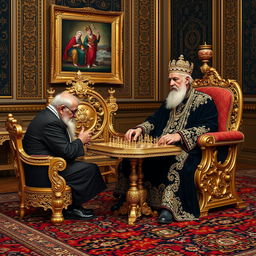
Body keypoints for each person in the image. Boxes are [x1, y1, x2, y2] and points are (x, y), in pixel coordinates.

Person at [112, 55, 218, 224]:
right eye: (170, 80)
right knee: (131, 159)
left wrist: (179, 135)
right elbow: (155, 119)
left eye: (175, 80)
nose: (171, 84)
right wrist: (139, 129)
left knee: (176, 163)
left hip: (189, 150)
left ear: (187, 80)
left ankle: (169, 208)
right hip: (161, 146)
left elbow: (209, 127)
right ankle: (131, 200)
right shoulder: (171, 99)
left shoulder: (204, 101)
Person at [23, 91, 107, 220]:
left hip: (45, 167)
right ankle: (71, 208)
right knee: (90, 169)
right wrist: (81, 140)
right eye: (73, 112)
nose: (74, 116)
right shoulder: (50, 122)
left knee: (85, 167)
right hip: (43, 172)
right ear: (62, 109)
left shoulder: (49, 116)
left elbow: (63, 150)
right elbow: (68, 152)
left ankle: (72, 205)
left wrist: (78, 141)